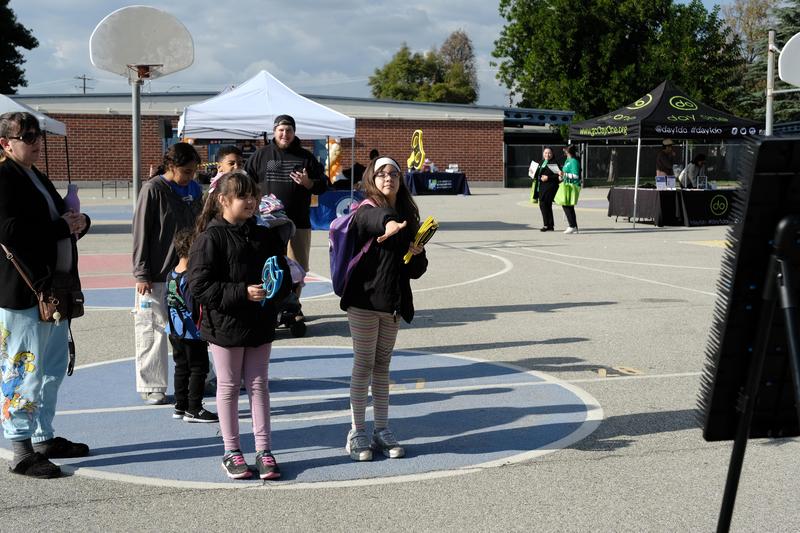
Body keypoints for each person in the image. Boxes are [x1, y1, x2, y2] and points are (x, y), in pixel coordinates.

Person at [0, 112, 91, 478]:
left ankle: (42, 436)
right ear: (5, 143)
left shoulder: (34, 175)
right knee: (23, 368)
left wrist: (79, 223)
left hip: (52, 290)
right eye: (27, 136)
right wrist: (59, 227)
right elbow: (9, 231)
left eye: (38, 135)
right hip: (24, 292)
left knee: (51, 368)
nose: (36, 142)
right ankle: (21, 450)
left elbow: (58, 221)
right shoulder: (4, 177)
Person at [188, 170, 291, 480]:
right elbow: (199, 286)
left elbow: (282, 274)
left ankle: (264, 450)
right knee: (229, 386)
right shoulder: (210, 238)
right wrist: (242, 292)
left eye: (253, 196)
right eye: (243, 196)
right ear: (223, 200)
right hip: (225, 325)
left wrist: (276, 290)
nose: (250, 201)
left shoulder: (264, 235)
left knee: (259, 385)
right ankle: (231, 450)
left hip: (259, 322)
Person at [339, 156, 428, 461]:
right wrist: (389, 223)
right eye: (381, 174)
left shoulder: (407, 215)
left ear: (400, 180)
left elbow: (415, 270)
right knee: (364, 364)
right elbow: (373, 220)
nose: (388, 178)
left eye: (394, 174)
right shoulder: (364, 209)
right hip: (363, 301)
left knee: (382, 366)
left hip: (392, 303)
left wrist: (417, 252)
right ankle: (357, 431)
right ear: (371, 179)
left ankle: (381, 428)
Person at [133, 143, 203, 406]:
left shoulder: (194, 189)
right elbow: (140, 232)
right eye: (186, 171)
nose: (190, 177)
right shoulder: (153, 190)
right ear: (171, 166)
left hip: (188, 272)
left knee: (193, 326)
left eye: (194, 171)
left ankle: (200, 376)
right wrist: (141, 273)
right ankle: (151, 384)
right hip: (157, 274)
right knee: (152, 328)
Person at [244, 115, 327, 319]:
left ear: (294, 132)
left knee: (298, 268)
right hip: (268, 223)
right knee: (269, 266)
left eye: (289, 130)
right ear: (274, 131)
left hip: (299, 221)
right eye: (281, 130)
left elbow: (324, 185)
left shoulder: (305, 157)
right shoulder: (262, 155)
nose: (285, 134)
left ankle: (293, 307)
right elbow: (245, 182)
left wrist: (308, 183)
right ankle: (270, 307)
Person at [164, 228, 218, 423]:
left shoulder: (171, 274)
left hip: (174, 328)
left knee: (181, 367)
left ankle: (180, 405)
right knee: (198, 368)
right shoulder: (190, 277)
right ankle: (194, 408)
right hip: (191, 330)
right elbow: (193, 306)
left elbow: (167, 301)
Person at [533, 147, 560, 231]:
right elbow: (537, 174)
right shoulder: (541, 162)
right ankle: (550, 225)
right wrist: (532, 172)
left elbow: (558, 176)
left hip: (550, 187)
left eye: (549, 153)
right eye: (545, 153)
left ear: (552, 154)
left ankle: (546, 225)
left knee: (544, 204)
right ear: (543, 153)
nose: (547, 155)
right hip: (541, 186)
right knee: (546, 205)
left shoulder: (553, 163)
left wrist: (548, 178)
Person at [557, 145, 581, 234]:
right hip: (566, 185)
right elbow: (565, 172)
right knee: (568, 206)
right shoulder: (568, 160)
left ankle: (572, 226)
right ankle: (574, 226)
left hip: (572, 186)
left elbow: (576, 176)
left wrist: (564, 174)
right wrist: (561, 176)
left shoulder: (574, 161)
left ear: (568, 152)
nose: (564, 152)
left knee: (567, 205)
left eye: (565, 151)